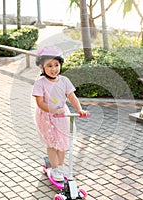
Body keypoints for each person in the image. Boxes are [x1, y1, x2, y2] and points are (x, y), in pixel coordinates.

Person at [32, 45, 89, 182]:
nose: (53, 69)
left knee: (63, 142)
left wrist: (79, 109)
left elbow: (71, 96)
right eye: (49, 66)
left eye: (56, 65)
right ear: (42, 67)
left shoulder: (64, 81)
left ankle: (61, 165)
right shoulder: (40, 83)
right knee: (52, 143)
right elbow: (39, 103)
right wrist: (52, 109)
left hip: (62, 116)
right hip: (46, 117)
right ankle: (55, 167)